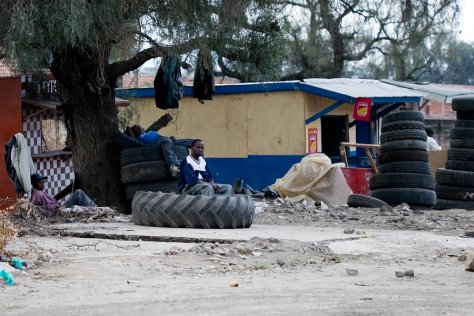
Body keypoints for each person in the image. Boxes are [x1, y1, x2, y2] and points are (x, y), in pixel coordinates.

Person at [30, 173, 97, 211]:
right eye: (40, 182)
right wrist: (58, 207)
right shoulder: (38, 193)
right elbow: (47, 207)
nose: (42, 184)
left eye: (43, 182)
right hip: (58, 212)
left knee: (78, 194)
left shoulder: (37, 192)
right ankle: (95, 209)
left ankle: (93, 208)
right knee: (78, 193)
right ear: (34, 183)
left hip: (58, 210)